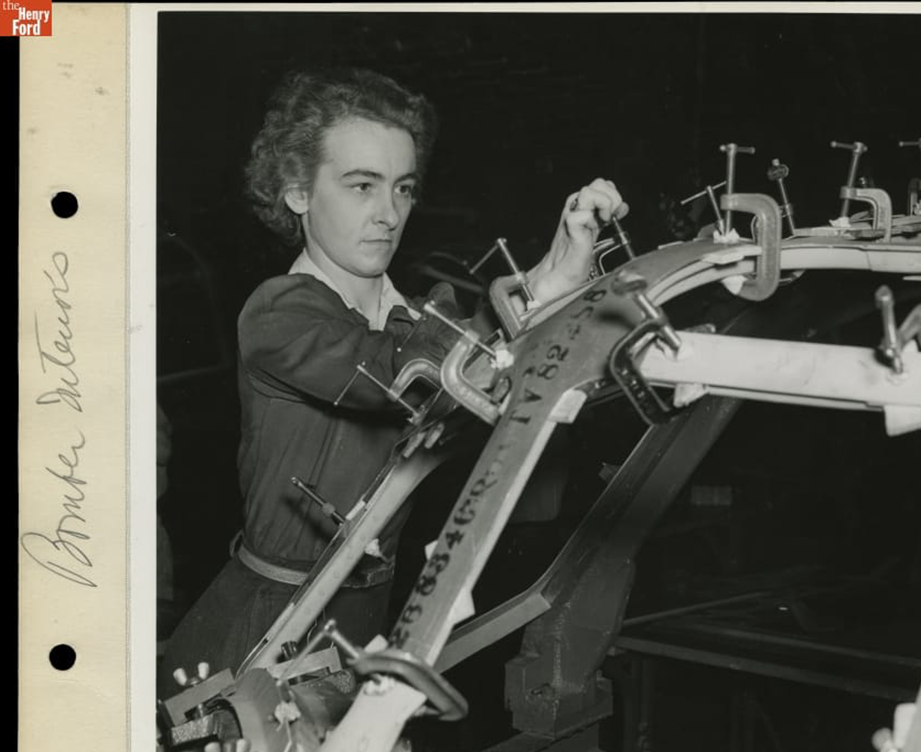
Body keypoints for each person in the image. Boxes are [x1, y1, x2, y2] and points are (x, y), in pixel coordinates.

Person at [158, 68, 626, 697]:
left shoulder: (411, 319)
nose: (388, 214)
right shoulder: (280, 316)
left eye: (403, 188)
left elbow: (468, 352)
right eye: (361, 186)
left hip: (364, 620)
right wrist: (532, 290)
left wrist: (564, 260)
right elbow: (400, 373)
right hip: (261, 635)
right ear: (298, 192)